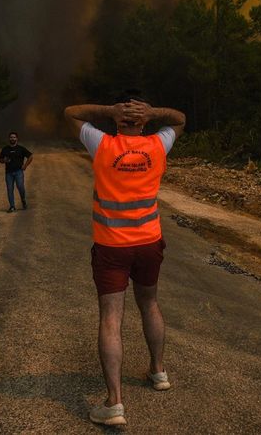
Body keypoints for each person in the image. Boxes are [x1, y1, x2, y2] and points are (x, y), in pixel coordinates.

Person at [64, 95, 185, 427]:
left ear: (118, 121)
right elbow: (179, 119)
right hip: (148, 242)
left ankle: (114, 404)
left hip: (111, 246)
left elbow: (70, 113)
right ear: (144, 122)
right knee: (150, 303)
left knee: (111, 318)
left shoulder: (101, 143)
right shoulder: (158, 146)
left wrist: (107, 111)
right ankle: (158, 371)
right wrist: (155, 111)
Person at [0, 131, 33, 212]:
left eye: (14, 137)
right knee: (10, 189)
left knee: (20, 187)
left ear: (17, 138)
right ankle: (12, 206)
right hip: (8, 173)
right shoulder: (5, 149)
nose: (12, 138)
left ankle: (23, 200)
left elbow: (30, 156)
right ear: (9, 138)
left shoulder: (21, 149)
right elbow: (0, 160)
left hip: (18, 172)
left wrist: (25, 165)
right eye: (11, 137)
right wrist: (4, 160)